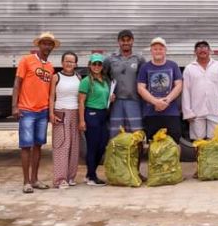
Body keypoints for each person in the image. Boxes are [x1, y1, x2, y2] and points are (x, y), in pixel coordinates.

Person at [12, 32, 58, 193]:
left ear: (52, 47)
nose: (47, 46)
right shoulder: (26, 60)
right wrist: (15, 107)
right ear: (38, 45)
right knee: (26, 146)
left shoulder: (50, 66)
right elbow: (17, 84)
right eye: (44, 43)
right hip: (27, 110)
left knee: (38, 146)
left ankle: (35, 179)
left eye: (50, 44)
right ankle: (26, 182)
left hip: (42, 111)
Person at [137, 37, 183, 143]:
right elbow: (140, 88)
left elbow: (179, 85)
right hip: (151, 113)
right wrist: (156, 102)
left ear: (165, 50)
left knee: (174, 143)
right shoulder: (145, 67)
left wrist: (167, 100)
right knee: (153, 145)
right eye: (155, 49)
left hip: (171, 112)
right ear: (151, 51)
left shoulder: (173, 65)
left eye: (160, 48)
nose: (158, 51)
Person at [182, 40, 218, 140]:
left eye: (205, 47)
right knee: (198, 142)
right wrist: (187, 112)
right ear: (194, 52)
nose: (202, 49)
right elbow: (185, 92)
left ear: (210, 51)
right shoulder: (189, 68)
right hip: (196, 112)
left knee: (217, 142)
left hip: (216, 111)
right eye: (199, 47)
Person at [103, 29, 146, 138]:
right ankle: (116, 155)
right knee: (116, 133)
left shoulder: (139, 59)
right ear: (119, 42)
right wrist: (108, 92)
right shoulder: (110, 59)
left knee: (136, 134)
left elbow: (144, 79)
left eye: (128, 40)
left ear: (133, 41)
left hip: (134, 101)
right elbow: (103, 77)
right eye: (123, 40)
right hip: (116, 102)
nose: (126, 43)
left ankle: (136, 155)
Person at [48, 51, 81, 189]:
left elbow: (81, 98)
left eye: (72, 61)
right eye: (66, 61)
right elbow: (51, 97)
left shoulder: (78, 77)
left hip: (75, 113)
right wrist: (51, 114)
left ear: (75, 64)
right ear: (62, 62)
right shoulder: (56, 77)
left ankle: (70, 177)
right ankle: (60, 179)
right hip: (60, 112)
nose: (69, 64)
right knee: (61, 146)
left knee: (74, 146)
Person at [78, 53, 110, 186]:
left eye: (99, 64)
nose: (96, 66)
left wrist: (110, 98)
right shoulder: (86, 81)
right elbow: (81, 102)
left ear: (102, 66)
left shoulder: (104, 79)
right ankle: (92, 177)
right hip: (91, 114)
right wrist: (81, 121)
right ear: (89, 65)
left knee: (102, 146)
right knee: (92, 146)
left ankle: (89, 174)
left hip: (103, 114)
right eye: (94, 64)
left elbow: (105, 95)